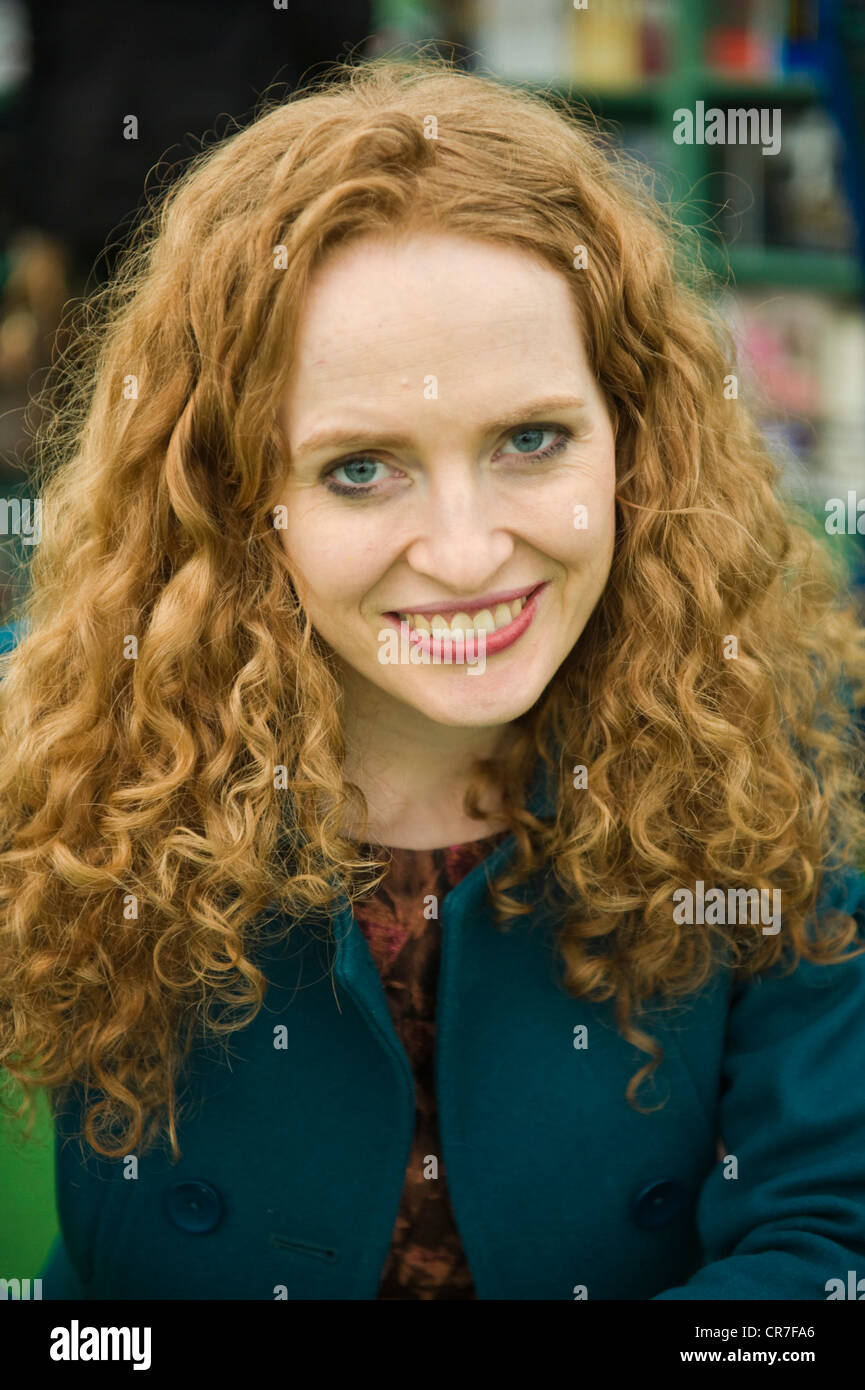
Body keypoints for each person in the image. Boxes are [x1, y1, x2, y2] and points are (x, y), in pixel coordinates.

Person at [1, 53, 864, 1302]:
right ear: (237, 492)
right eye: (361, 467)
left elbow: (829, 1246)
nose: (465, 554)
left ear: (636, 440)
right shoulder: (61, 747)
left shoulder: (790, 741)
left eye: (530, 439)